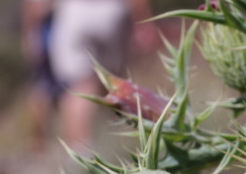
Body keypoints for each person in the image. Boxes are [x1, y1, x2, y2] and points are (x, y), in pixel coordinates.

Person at [49, 0, 156, 150]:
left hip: (74, 12)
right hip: (112, 12)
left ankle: (82, 153)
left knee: (80, 87)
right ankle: (127, 148)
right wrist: (143, 22)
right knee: (114, 84)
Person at [21, 0, 62, 152]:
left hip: (53, 35)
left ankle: (45, 141)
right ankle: (39, 142)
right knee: (42, 91)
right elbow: (36, 8)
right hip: (47, 36)